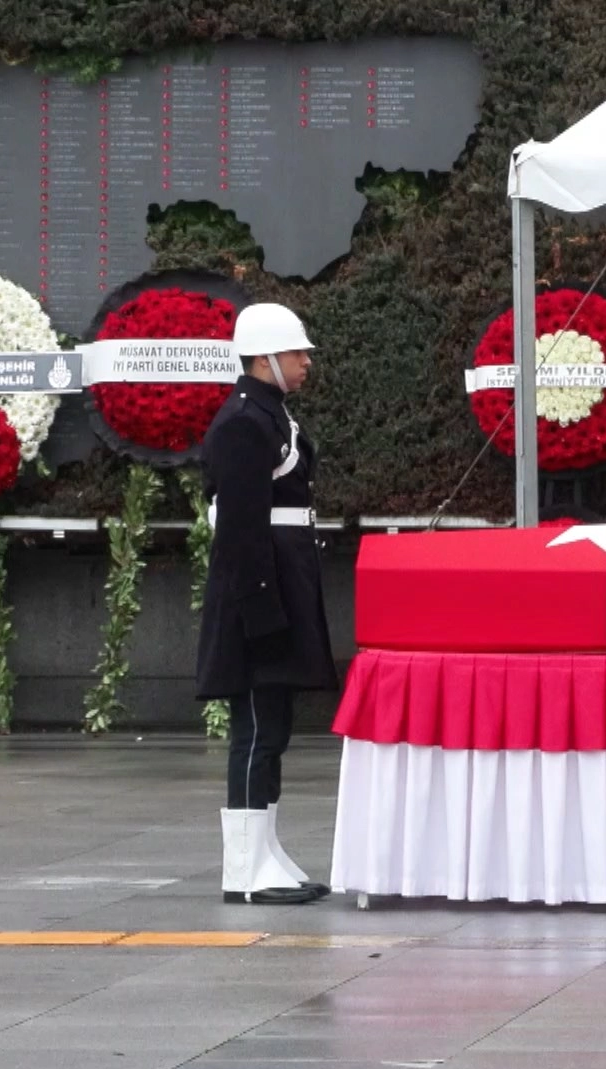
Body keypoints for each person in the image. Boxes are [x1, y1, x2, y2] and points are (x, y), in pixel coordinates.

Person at [197, 302, 340, 903]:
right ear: (263, 359)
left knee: (273, 730)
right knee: (255, 731)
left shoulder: (268, 414)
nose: (306, 362)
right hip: (258, 598)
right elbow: (240, 531)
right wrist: (261, 614)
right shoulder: (243, 423)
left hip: (280, 586)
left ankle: (266, 851)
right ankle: (244, 871)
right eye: (296, 352)